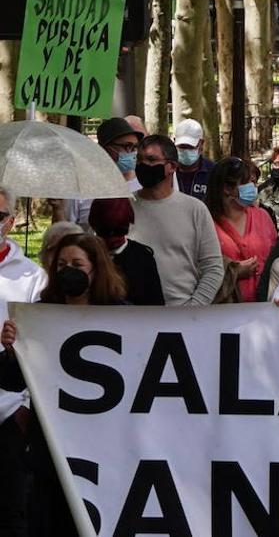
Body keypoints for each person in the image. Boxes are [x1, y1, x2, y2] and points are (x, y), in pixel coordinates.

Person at [0, 234, 127, 536]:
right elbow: (11, 378)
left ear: (96, 269)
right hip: (51, 449)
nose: (68, 270)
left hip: (104, 445)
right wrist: (11, 350)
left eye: (77, 264)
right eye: (61, 265)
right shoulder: (40, 314)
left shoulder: (122, 315)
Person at [129, 135, 224, 305]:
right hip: (131, 316)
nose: (143, 165)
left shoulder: (195, 210)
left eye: (151, 159)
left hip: (182, 316)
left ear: (171, 166)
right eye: (139, 159)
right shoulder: (123, 207)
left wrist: (193, 308)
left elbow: (213, 267)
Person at [0, 186, 44, 536]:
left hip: (10, 411)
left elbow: (39, 347)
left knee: (12, 512)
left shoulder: (32, 276)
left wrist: (24, 407)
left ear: (11, 222)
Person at [207, 157, 279, 303]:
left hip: (264, 307)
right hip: (223, 312)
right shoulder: (206, 221)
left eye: (255, 182)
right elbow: (199, 267)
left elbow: (276, 257)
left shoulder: (263, 216)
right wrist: (233, 272)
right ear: (227, 188)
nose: (253, 187)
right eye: (248, 183)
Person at [64, 116, 143, 226]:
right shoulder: (80, 186)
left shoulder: (143, 184)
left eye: (135, 147)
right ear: (104, 148)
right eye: (126, 146)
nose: (132, 153)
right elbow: (66, 229)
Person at [88, 198, 165, 305]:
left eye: (120, 230)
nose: (112, 237)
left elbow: (155, 306)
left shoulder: (142, 257)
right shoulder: (87, 254)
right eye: (105, 231)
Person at [173, 118, 214, 201]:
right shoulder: (168, 171)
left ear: (201, 144)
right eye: (182, 147)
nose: (186, 151)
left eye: (190, 147)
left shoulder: (213, 172)